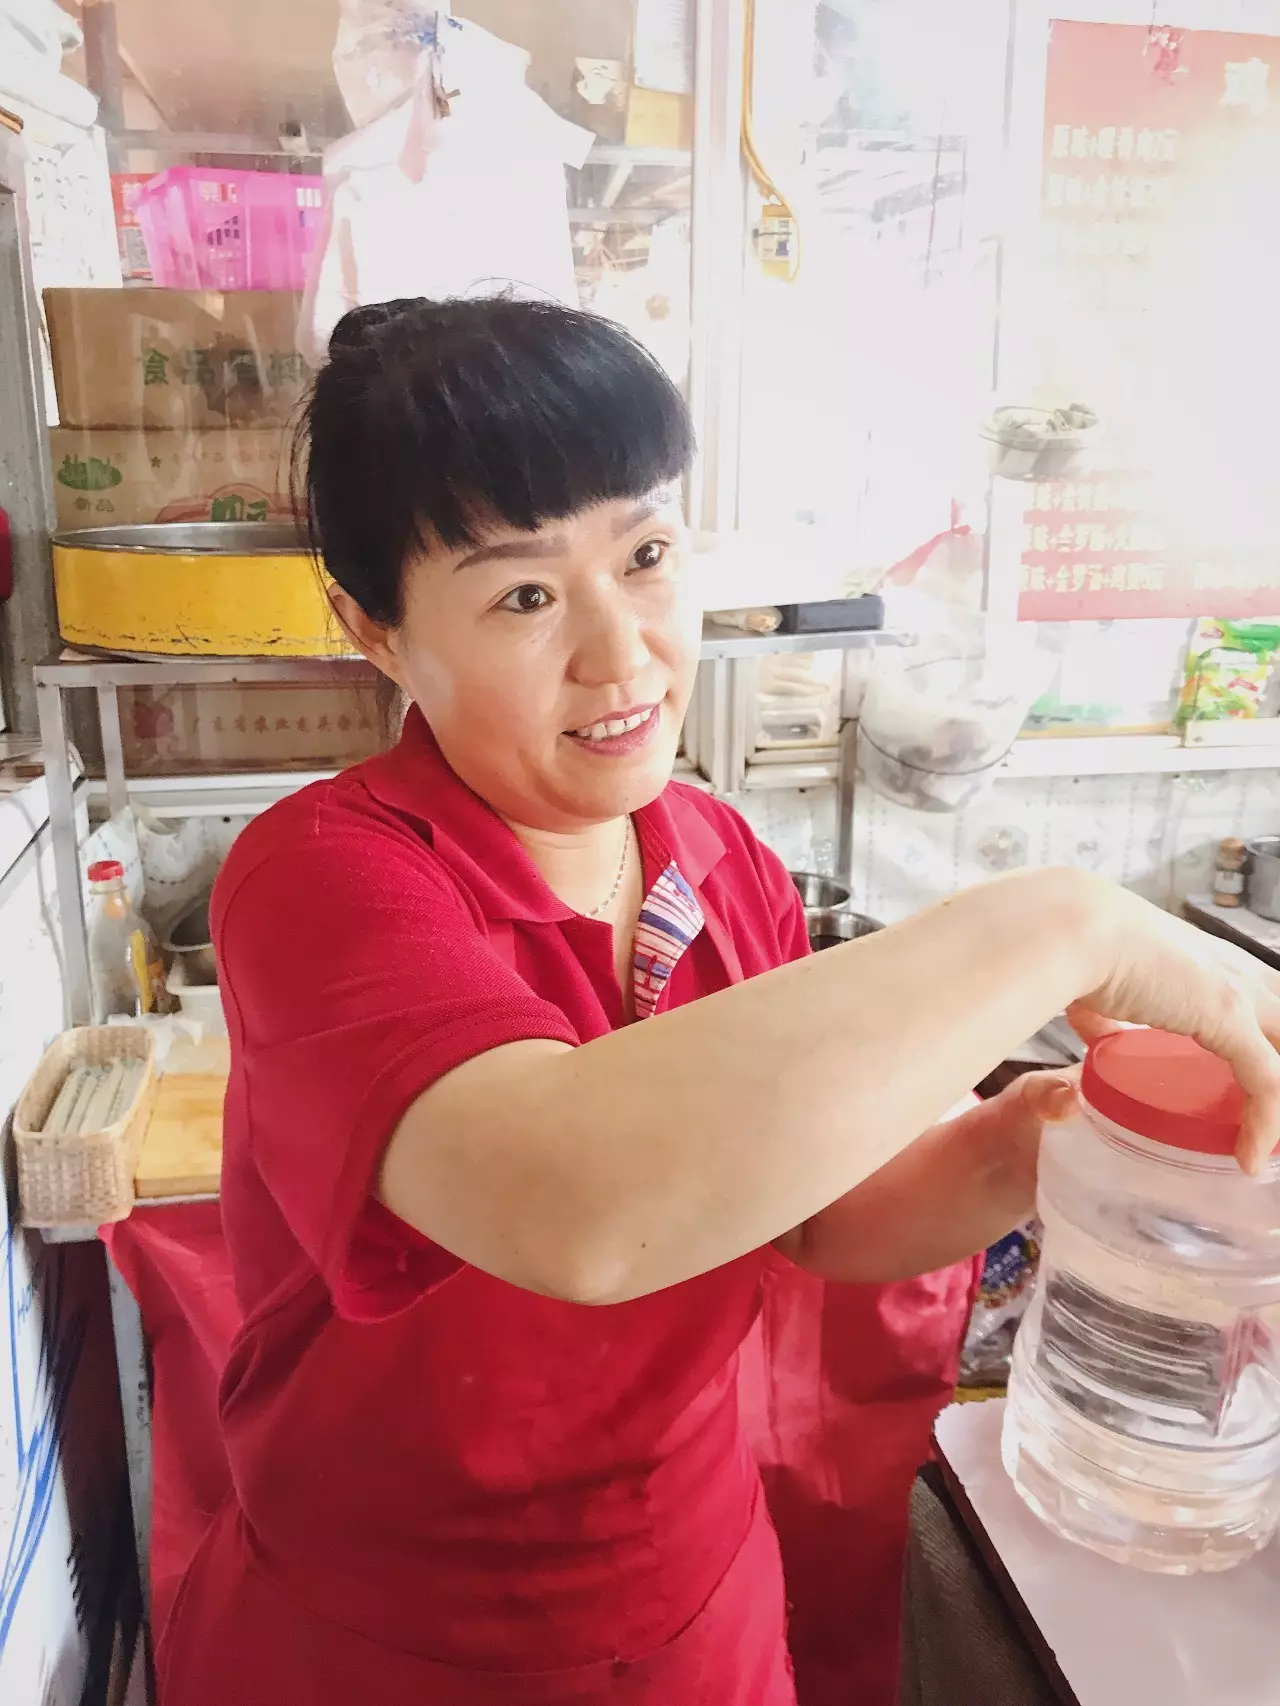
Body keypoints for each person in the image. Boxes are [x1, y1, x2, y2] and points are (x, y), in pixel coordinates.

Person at [158, 297, 1280, 1706]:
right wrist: (1058, 922)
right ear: (372, 630)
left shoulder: (718, 855)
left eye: (645, 553)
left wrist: (1023, 1142)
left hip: (693, 1608)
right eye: (523, 593)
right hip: (390, 1645)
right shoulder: (325, 878)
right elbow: (576, 1197)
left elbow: (808, 1215)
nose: (621, 654)